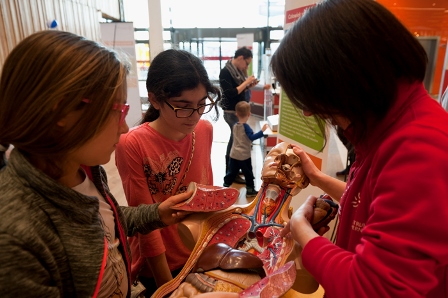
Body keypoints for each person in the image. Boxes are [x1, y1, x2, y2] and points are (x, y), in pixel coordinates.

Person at [271, 0, 448, 297]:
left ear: (345, 80)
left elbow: (372, 287)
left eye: (313, 99)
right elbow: (378, 204)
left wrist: (303, 232)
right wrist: (318, 179)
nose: (309, 114)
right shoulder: (388, 128)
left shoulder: (419, 146)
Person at [0, 30, 193, 297]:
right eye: (118, 111)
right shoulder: (15, 237)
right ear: (63, 112)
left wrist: (156, 213)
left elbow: (104, 220)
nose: (124, 128)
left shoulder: (84, 172)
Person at [115, 49, 222, 296]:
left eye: (202, 104)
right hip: (158, 266)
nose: (194, 116)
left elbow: (207, 195)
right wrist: (167, 289)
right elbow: (145, 224)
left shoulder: (204, 129)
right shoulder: (133, 143)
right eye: (183, 106)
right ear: (154, 100)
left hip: (198, 254)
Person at [219, 46, 260, 183]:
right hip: (231, 112)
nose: (246, 66)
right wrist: (246, 82)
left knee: (236, 140)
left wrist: (248, 85)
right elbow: (230, 93)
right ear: (241, 58)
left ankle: (234, 169)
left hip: (237, 111)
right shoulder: (225, 72)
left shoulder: (237, 72)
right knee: (235, 141)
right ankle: (230, 171)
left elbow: (240, 91)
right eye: (247, 63)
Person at [223, 101, 268, 197]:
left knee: (231, 172)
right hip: (244, 156)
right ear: (249, 114)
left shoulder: (235, 126)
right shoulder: (246, 127)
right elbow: (252, 137)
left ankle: (225, 186)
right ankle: (250, 190)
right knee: (248, 173)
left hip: (234, 155)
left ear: (236, 114)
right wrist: (262, 131)